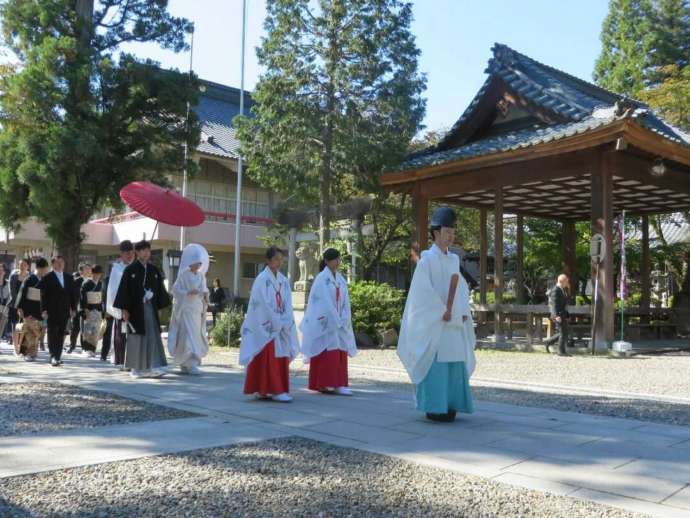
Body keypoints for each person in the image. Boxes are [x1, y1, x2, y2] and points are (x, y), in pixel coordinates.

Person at [397, 207, 476, 423]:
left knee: (454, 362)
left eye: (452, 232)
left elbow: (460, 288)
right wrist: (442, 311)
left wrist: (462, 311)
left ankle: (451, 404)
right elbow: (422, 293)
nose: (450, 236)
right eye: (446, 232)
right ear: (436, 233)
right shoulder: (426, 261)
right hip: (436, 322)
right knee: (436, 363)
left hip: (453, 322)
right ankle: (434, 406)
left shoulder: (453, 260)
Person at [240, 246, 299, 402]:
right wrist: (275, 320)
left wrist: (285, 318)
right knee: (268, 354)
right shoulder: (261, 279)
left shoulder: (283, 280)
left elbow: (287, 302)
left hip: (280, 322)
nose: (279, 262)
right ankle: (273, 389)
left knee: (279, 354)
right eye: (276, 259)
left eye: (281, 259)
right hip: (266, 324)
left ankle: (267, 389)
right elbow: (261, 304)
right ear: (268, 260)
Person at [300, 248, 357, 396]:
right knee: (326, 350)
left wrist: (344, 316)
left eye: (339, 259)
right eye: (334, 259)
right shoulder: (321, 279)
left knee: (339, 350)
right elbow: (322, 301)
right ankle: (324, 383)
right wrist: (334, 317)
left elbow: (346, 301)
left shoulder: (340, 279)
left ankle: (339, 383)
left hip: (339, 321)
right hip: (326, 321)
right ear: (326, 261)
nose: (337, 262)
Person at [114, 240, 170, 378]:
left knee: (152, 335)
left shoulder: (153, 270)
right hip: (135, 309)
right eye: (143, 250)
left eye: (148, 250)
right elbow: (124, 291)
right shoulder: (130, 270)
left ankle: (151, 366)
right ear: (137, 252)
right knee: (136, 337)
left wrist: (154, 298)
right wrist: (125, 310)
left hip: (149, 307)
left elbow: (159, 290)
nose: (146, 253)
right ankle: (136, 369)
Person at [167, 244, 210, 375]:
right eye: (196, 263)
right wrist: (187, 292)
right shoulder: (183, 275)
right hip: (185, 309)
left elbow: (205, 289)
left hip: (196, 309)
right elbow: (174, 290)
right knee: (186, 335)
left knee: (195, 335)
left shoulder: (201, 276)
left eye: (199, 263)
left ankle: (192, 362)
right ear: (190, 263)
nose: (198, 266)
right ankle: (185, 362)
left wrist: (204, 293)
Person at [39, 256, 76, 366]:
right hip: (51, 310)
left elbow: (72, 295)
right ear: (53, 264)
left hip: (64, 310)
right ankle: (52, 356)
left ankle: (58, 356)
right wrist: (44, 310)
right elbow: (43, 296)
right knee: (52, 333)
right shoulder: (47, 277)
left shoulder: (69, 277)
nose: (60, 264)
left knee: (61, 333)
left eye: (62, 262)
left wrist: (73, 308)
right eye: (58, 262)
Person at [104, 241, 135, 366]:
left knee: (133, 335)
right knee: (121, 334)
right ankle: (121, 360)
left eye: (131, 253)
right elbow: (113, 291)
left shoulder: (136, 267)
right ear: (121, 254)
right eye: (127, 253)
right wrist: (121, 310)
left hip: (135, 307)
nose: (129, 255)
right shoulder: (117, 269)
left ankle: (133, 360)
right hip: (122, 307)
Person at [15, 258, 50, 361]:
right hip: (29, 308)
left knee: (36, 331)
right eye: (45, 269)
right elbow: (22, 293)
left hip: (40, 309)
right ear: (40, 268)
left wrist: (47, 309)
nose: (45, 271)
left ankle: (33, 353)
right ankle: (27, 353)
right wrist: (20, 308)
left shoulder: (45, 280)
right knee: (28, 332)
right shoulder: (29, 279)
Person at [80, 265, 104, 358]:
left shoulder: (101, 284)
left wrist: (103, 310)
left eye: (98, 274)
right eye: (95, 274)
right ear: (92, 273)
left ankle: (93, 349)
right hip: (89, 309)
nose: (97, 276)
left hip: (98, 309)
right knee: (87, 330)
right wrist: (85, 309)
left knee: (96, 330)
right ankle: (86, 349)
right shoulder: (86, 283)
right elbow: (83, 297)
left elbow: (103, 298)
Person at [67, 263, 91, 354]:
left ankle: (84, 347)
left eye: (89, 269)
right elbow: (71, 295)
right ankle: (72, 345)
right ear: (81, 271)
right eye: (86, 269)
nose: (88, 271)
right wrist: (71, 308)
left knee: (86, 328)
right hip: (77, 307)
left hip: (88, 308)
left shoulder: (91, 281)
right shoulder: (76, 281)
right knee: (75, 328)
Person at [545, 274, 571, 356]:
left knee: (564, 332)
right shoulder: (556, 290)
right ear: (561, 281)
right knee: (563, 332)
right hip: (558, 315)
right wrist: (556, 316)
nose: (568, 282)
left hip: (562, 314)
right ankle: (561, 351)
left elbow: (564, 303)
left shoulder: (562, 289)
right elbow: (554, 304)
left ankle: (548, 342)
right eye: (566, 280)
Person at [8, 258, 30, 342]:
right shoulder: (13, 276)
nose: (22, 266)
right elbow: (12, 291)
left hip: (26, 305)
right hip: (14, 303)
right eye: (20, 264)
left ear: (28, 266)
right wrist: (17, 305)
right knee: (14, 322)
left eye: (24, 265)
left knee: (24, 323)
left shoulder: (30, 277)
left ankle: (20, 340)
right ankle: (14, 340)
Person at [0, 264, 11, 342]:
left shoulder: (8, 283)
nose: (0, 271)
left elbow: (9, 296)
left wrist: (7, 306)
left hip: (4, 308)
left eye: (1, 270)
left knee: (1, 328)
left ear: (4, 272)